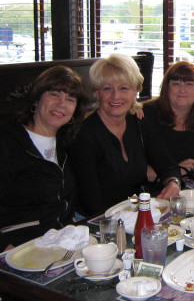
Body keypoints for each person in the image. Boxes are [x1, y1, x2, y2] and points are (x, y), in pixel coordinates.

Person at [69, 53, 181, 216]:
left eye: (124, 88)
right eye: (107, 88)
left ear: (136, 90)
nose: (116, 96)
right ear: (96, 93)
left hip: (134, 212)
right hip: (98, 219)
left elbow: (167, 165)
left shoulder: (139, 122)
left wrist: (173, 182)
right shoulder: (84, 135)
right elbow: (90, 201)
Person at [0, 66, 88, 252]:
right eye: (55, 94)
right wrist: (6, 248)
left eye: (70, 99)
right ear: (37, 98)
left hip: (60, 245)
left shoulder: (66, 144)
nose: (61, 104)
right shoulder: (7, 141)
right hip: (19, 248)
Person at [142, 61, 194, 179]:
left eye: (189, 84)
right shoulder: (146, 116)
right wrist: (175, 171)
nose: (182, 89)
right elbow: (133, 171)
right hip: (151, 192)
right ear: (166, 89)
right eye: (176, 83)